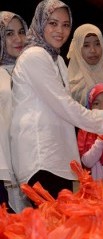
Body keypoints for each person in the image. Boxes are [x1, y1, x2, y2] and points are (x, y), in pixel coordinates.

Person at [10, 0, 103, 199]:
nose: (60, 30)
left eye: (66, 25)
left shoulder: (55, 59)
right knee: (50, 225)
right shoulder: (34, 56)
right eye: (53, 23)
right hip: (40, 157)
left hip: (57, 158)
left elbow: (66, 105)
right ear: (40, 23)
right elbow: (65, 106)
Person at [0, 11, 29, 212]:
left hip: (34, 156)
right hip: (7, 160)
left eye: (21, 32)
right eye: (9, 34)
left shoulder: (32, 68)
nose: (18, 39)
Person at [67, 23, 103, 107]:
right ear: (77, 49)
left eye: (97, 44)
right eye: (86, 45)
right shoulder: (68, 83)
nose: (93, 50)